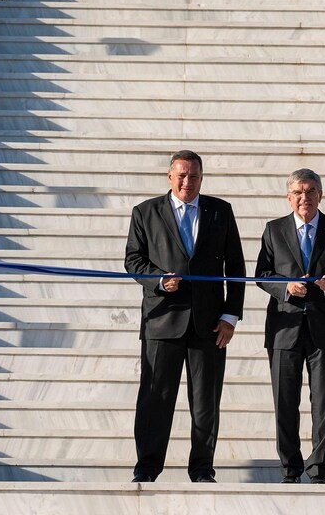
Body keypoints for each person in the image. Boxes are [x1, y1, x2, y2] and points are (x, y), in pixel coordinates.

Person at [124, 150, 246, 483]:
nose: (186, 182)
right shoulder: (145, 212)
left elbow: (235, 267)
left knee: (206, 402)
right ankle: (147, 468)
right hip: (162, 321)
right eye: (180, 175)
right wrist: (160, 280)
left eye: (193, 176)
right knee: (154, 399)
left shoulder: (221, 211)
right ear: (169, 176)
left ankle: (203, 469)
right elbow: (134, 261)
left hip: (209, 325)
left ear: (201, 178)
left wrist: (231, 315)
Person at [255, 169, 325, 484]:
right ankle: (290, 468)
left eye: (311, 191)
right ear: (289, 197)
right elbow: (262, 274)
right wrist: (286, 288)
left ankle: (318, 467)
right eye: (298, 192)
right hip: (284, 328)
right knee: (285, 402)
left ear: (320, 195)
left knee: (324, 402)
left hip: (324, 326)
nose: (304, 198)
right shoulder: (274, 230)